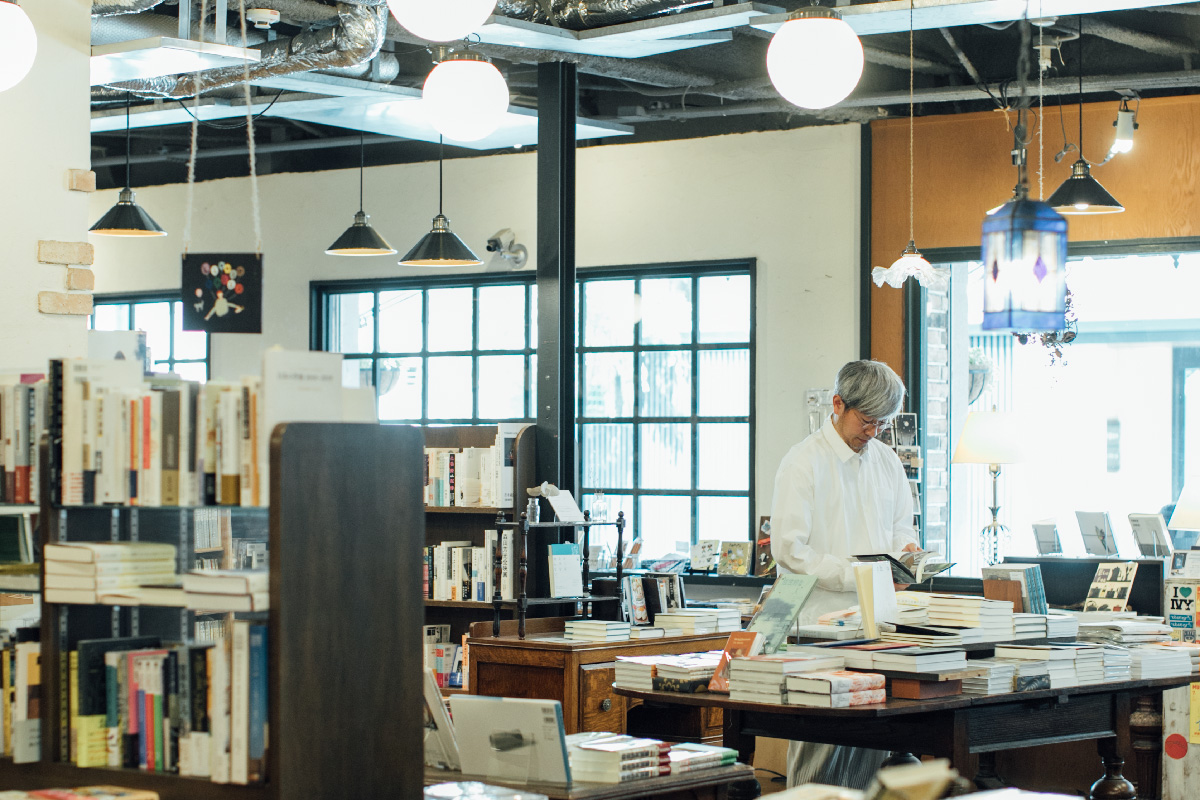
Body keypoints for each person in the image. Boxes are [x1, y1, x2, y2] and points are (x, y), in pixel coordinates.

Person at [769, 359, 920, 789]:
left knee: (872, 744)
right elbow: (790, 552)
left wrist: (907, 554)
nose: (873, 432)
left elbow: (900, 529)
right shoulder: (803, 462)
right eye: (867, 420)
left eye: (883, 424)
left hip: (878, 624)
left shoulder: (888, 462)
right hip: (818, 629)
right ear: (838, 404)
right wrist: (858, 573)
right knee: (822, 749)